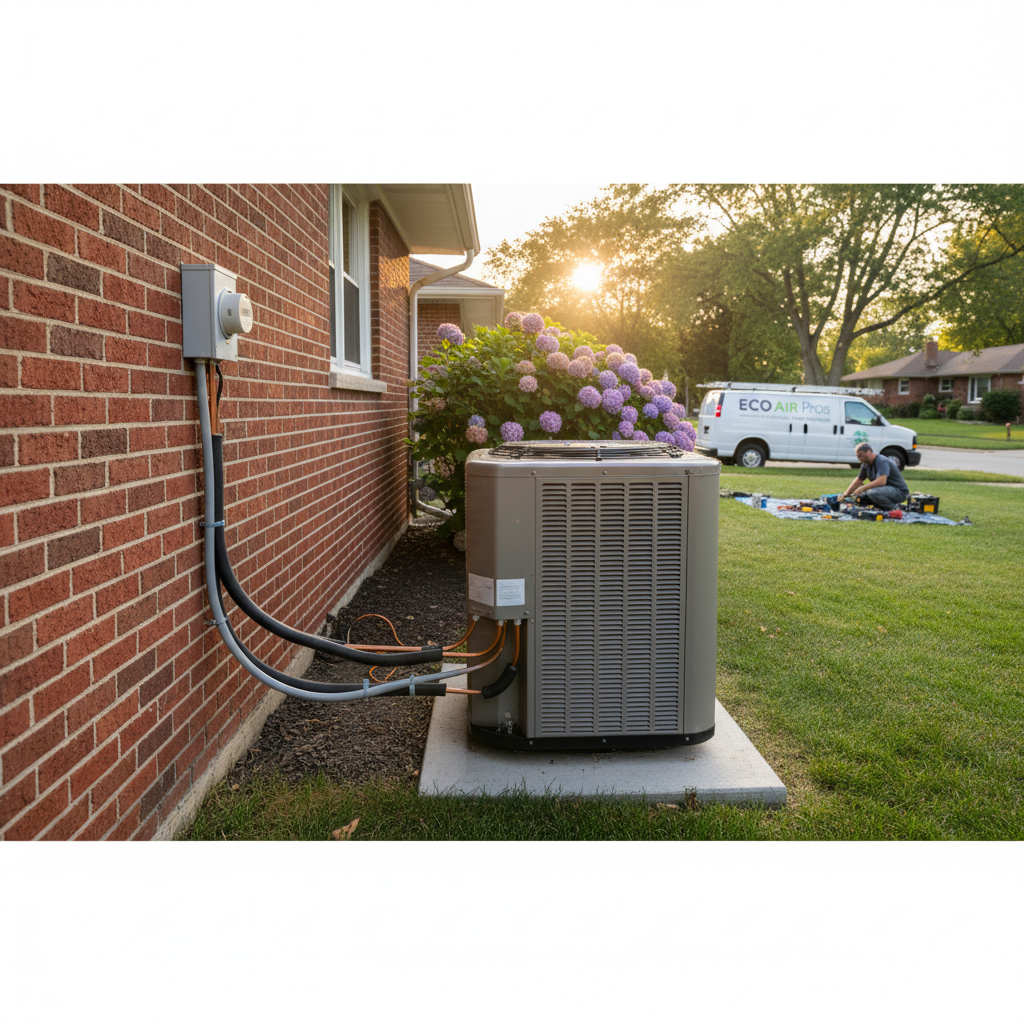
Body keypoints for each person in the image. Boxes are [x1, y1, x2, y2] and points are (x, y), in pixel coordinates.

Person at [840, 443, 910, 510]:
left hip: (899, 491)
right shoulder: (865, 464)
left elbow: (882, 481)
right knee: (861, 497)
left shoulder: (881, 461)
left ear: (869, 452)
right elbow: (859, 480)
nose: (859, 458)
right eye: (858, 456)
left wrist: (862, 488)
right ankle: (880, 506)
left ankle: (892, 508)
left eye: (861, 455)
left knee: (872, 493)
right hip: (884, 491)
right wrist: (846, 495)